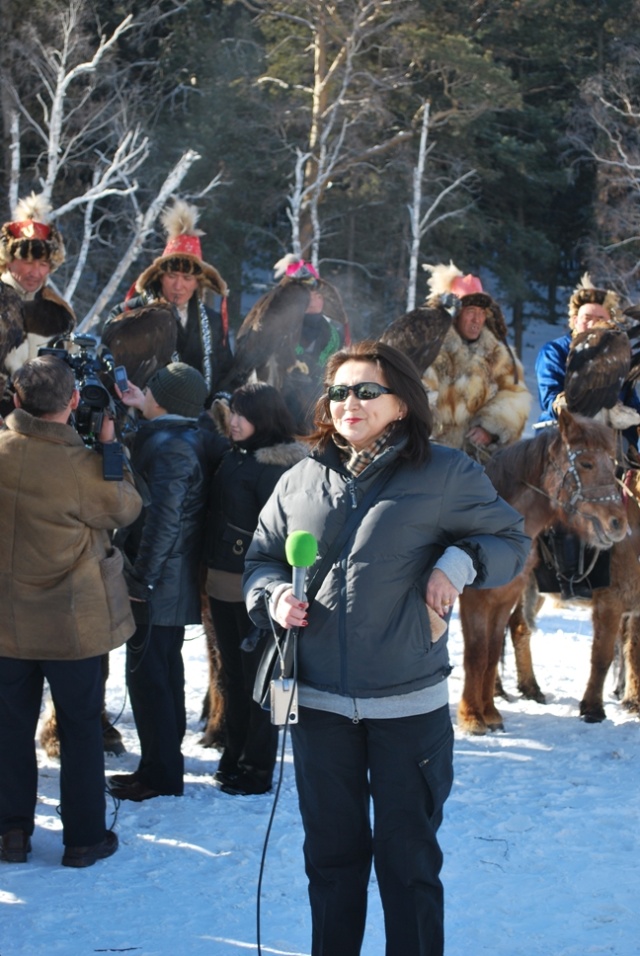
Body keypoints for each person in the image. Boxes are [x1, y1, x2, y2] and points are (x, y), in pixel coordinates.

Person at [243, 340, 530, 956]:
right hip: (318, 706)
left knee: (408, 866)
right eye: (340, 391)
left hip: (407, 707)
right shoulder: (299, 478)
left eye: (367, 391)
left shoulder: (447, 473)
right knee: (332, 862)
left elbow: (510, 539)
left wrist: (458, 562)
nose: (351, 402)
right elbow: (261, 559)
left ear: (401, 403)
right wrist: (271, 598)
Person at [0, 355, 142, 867]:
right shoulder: (82, 468)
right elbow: (127, 508)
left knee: (9, 725)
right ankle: (83, 839)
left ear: (17, 401)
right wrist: (109, 449)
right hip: (72, 625)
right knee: (80, 729)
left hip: (6, 625)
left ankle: (10, 832)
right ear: (75, 401)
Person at [108, 363, 226, 802]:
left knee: (150, 677)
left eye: (151, 389)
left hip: (161, 579)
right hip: (167, 576)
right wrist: (142, 409)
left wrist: (143, 577)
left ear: (164, 399)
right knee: (161, 672)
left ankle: (159, 774)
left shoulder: (174, 447)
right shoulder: (182, 432)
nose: (144, 391)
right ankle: (159, 764)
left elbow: (164, 520)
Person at [204, 383, 307, 796]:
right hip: (220, 583)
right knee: (231, 675)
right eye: (232, 413)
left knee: (260, 679)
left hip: (258, 591)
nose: (234, 421)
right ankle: (235, 754)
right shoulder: (235, 456)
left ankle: (257, 766)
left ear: (264, 418)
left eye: (243, 415)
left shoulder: (278, 468)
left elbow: (284, 537)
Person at [534, 274, 640, 599]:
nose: (592, 323)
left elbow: (632, 403)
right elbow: (550, 396)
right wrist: (578, 407)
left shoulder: (618, 355)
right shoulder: (555, 351)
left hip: (612, 441)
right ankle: (564, 569)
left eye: (600, 318)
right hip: (566, 435)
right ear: (574, 320)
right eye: (586, 318)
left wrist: (626, 416)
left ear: (610, 323)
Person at [101, 199, 232, 396]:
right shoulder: (128, 313)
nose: (178, 286)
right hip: (141, 419)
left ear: (198, 282)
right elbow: (107, 368)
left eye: (187, 278)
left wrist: (219, 405)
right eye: (172, 276)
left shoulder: (213, 322)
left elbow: (226, 374)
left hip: (199, 421)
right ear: (159, 276)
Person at [222, 255, 350, 432]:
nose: (311, 298)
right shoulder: (290, 296)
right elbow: (273, 344)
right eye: (308, 291)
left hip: (310, 405)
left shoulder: (332, 334)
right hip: (271, 388)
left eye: (317, 295)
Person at [421, 262, 531, 458]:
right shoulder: (429, 349)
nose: (477, 319)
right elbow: (415, 396)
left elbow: (514, 396)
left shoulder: (498, 354)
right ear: (455, 314)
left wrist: (490, 429)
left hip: (478, 459)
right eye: (470, 311)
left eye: (481, 313)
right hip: (431, 455)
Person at [0, 193, 75, 412]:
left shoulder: (59, 311)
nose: (35, 272)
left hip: (42, 426)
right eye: (27, 262)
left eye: (43, 263)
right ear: (9, 261)